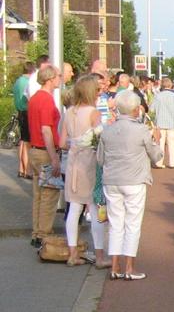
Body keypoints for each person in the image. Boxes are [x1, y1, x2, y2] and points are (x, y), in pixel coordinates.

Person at [97, 90, 164, 280]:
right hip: (134, 181)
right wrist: (157, 140)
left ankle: (114, 266)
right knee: (132, 223)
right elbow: (156, 156)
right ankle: (129, 268)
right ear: (135, 110)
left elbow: (100, 159)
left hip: (111, 181)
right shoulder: (141, 130)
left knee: (115, 224)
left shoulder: (107, 130)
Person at [61, 75, 109, 268]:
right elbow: (101, 139)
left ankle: (72, 254)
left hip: (73, 162)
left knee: (74, 208)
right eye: (97, 90)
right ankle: (99, 257)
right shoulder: (93, 113)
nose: (99, 93)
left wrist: (75, 143)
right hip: (89, 163)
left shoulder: (70, 111)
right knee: (95, 207)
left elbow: (61, 142)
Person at [27, 65, 63, 248]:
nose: (61, 78)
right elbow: (47, 130)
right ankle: (44, 234)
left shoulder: (34, 99)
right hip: (44, 151)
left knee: (38, 194)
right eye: (58, 75)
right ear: (51, 79)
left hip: (34, 150)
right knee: (49, 194)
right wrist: (54, 157)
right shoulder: (47, 100)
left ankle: (36, 232)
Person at [152, 77, 174, 168]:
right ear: (171, 85)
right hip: (172, 123)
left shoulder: (158, 96)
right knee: (172, 144)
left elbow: (152, 109)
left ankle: (159, 162)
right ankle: (173, 163)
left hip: (160, 123)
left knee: (160, 144)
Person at [13, 61, 35, 179]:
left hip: (20, 111)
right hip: (27, 112)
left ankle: (21, 168)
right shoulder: (27, 82)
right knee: (27, 143)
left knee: (23, 140)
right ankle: (28, 170)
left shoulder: (18, 81)